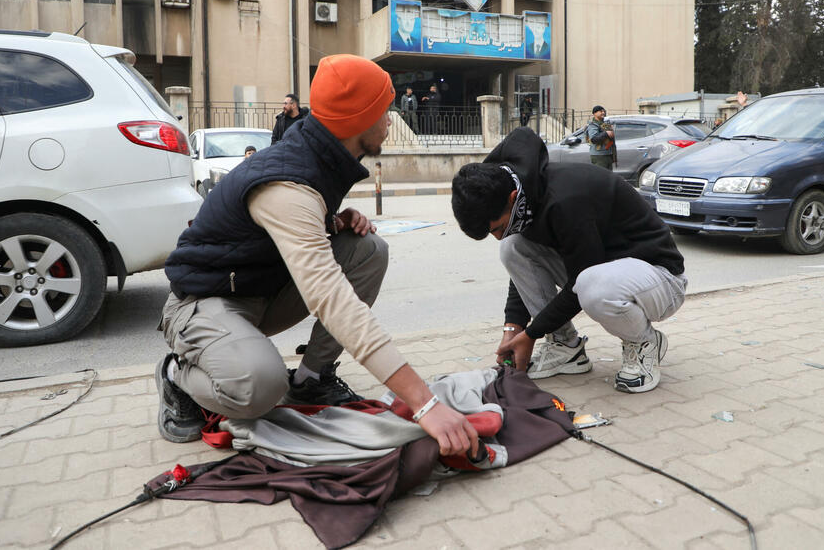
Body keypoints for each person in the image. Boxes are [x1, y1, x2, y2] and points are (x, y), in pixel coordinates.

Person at [157, 54, 478, 459]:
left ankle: (309, 380)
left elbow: (287, 230)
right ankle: (176, 376)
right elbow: (332, 300)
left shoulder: (319, 154)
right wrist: (424, 404)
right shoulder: (287, 184)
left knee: (367, 250)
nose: (390, 120)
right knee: (259, 386)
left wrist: (330, 221)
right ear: (358, 119)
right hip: (203, 302)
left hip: (260, 290)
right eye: (384, 110)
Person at [451, 127, 687, 393]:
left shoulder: (565, 201)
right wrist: (513, 330)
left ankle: (644, 342)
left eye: (497, 228)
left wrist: (531, 334)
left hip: (661, 279)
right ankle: (566, 347)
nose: (497, 236)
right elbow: (525, 270)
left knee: (591, 286)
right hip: (603, 271)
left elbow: (579, 281)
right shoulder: (525, 196)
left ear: (512, 198)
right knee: (512, 246)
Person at [584, 105, 616, 171]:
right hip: (599, 156)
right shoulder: (593, 125)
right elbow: (594, 139)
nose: (603, 113)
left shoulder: (605, 124)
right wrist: (606, 133)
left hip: (607, 154)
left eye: (604, 111)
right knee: (601, 175)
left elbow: (611, 140)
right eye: (601, 111)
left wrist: (613, 155)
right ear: (594, 113)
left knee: (608, 175)